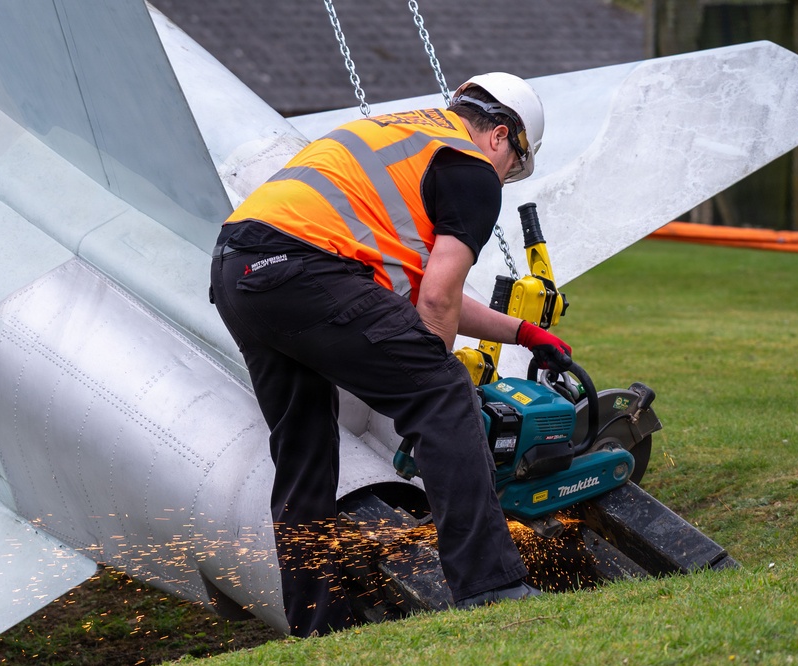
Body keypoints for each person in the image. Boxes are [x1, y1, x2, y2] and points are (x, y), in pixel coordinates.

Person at [209, 72, 573, 636]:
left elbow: (425, 288)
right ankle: (492, 587)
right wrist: (435, 391)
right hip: (306, 268)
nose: (505, 177)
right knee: (443, 391)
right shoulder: (472, 170)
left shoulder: (402, 137)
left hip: (241, 270)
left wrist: (523, 333)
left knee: (304, 449)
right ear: (501, 136)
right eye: (513, 166)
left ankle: (318, 626)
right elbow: (435, 299)